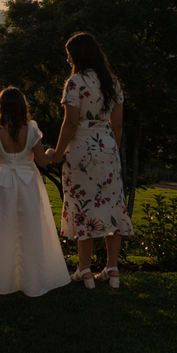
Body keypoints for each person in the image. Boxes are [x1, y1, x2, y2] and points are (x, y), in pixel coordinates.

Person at [49, 32, 133, 289]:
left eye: (69, 54)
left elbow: (71, 123)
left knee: (83, 207)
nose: (67, 59)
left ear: (78, 56)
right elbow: (117, 124)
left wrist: (57, 151)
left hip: (81, 149)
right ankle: (112, 269)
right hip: (108, 148)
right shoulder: (113, 83)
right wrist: (111, 151)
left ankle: (84, 270)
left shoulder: (75, 82)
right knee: (112, 207)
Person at [0, 88, 72, 297]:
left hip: (4, 186)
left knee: (5, 232)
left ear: (1, 108)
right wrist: (53, 152)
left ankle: (6, 282)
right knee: (31, 231)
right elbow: (42, 161)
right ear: (23, 108)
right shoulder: (31, 130)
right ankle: (33, 281)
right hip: (28, 185)